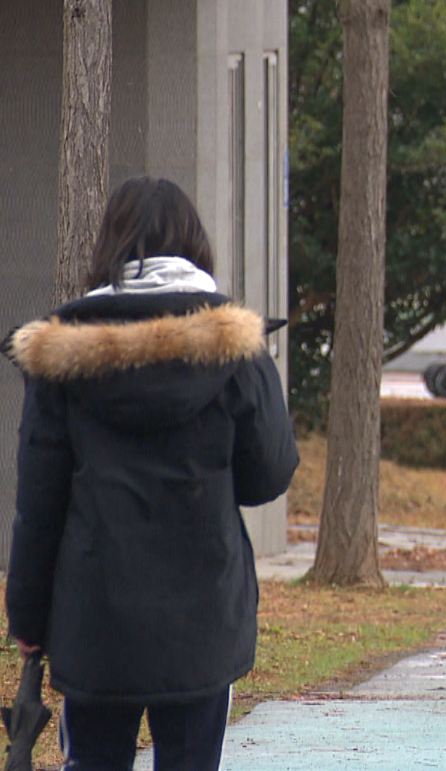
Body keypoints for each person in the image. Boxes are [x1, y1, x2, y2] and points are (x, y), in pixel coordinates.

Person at [3, 176, 299, 770]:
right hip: (203, 611)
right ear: (196, 244)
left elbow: (39, 502)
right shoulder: (236, 346)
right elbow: (268, 472)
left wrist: (28, 619)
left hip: (95, 615)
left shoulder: (63, 352)